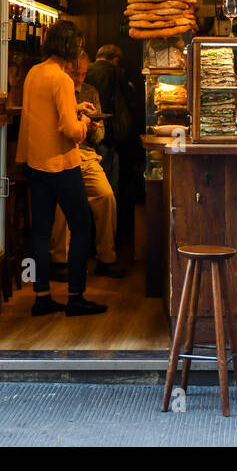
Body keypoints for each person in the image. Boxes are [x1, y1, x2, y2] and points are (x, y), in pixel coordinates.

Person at [15, 20, 107, 317]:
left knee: (40, 231)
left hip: (34, 163)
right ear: (70, 46)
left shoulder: (34, 73)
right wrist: (85, 123)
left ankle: (41, 297)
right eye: (78, 45)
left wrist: (76, 109)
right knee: (81, 226)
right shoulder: (63, 79)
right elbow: (71, 131)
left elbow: (43, 115)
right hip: (62, 165)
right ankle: (75, 297)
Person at [48, 51, 121, 279]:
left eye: (83, 73)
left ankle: (105, 258)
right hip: (60, 153)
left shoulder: (91, 91)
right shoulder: (56, 88)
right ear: (65, 69)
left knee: (106, 195)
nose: (79, 78)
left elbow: (99, 136)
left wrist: (93, 128)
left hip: (85, 154)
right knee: (60, 202)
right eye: (75, 73)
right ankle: (59, 261)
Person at [86, 43, 142, 275]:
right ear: (116, 59)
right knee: (109, 194)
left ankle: (88, 245)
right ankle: (107, 248)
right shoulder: (116, 74)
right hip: (108, 139)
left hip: (85, 142)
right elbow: (129, 103)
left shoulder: (84, 72)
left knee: (89, 196)